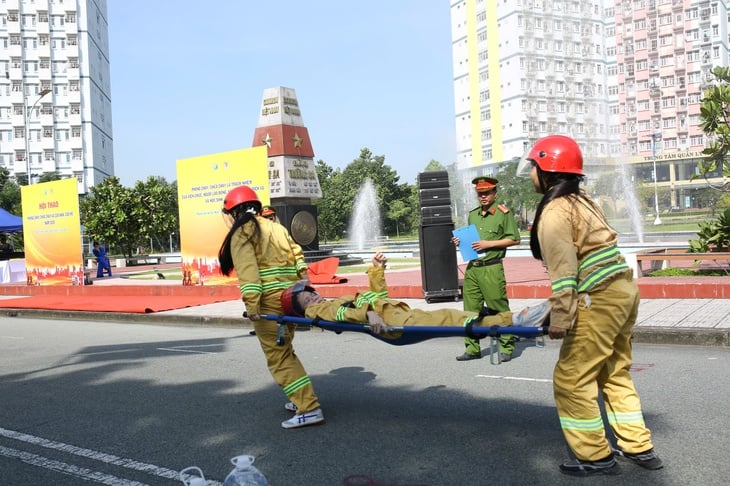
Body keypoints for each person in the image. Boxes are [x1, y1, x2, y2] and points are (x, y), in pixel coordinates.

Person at [518, 135, 663, 476]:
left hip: (596, 296)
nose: (530, 174)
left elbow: (565, 273)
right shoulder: (583, 200)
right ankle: (638, 446)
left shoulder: (555, 211)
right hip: (623, 290)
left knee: (571, 378)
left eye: (532, 167)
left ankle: (594, 456)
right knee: (613, 371)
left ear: (546, 169)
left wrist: (561, 318)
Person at [217, 185, 323, 429]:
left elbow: (249, 272)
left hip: (269, 302)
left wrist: (252, 306)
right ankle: (300, 400)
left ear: (234, 211)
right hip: (291, 299)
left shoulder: (243, 232)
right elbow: (298, 257)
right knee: (287, 350)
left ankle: (309, 408)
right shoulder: (276, 227)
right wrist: (304, 285)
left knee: (279, 357)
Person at [280, 252, 550, 338]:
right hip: (396, 325)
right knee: (452, 320)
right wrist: (369, 313)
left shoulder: (331, 301)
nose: (313, 299)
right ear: (302, 310)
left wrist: (376, 271)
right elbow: (342, 315)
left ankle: (516, 318)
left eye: (311, 295)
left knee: (455, 315)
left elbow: (378, 297)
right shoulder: (318, 312)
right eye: (306, 300)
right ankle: (518, 321)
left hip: (399, 314)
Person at [451, 176, 520, 362]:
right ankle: (472, 349)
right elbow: (471, 241)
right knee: (470, 311)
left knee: (499, 308)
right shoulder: (473, 214)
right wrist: (460, 242)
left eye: (487, 193)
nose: (483, 197)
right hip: (473, 268)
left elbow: (514, 239)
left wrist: (488, 244)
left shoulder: (503, 213)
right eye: (480, 193)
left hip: (492, 268)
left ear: (495, 193)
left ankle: (506, 346)